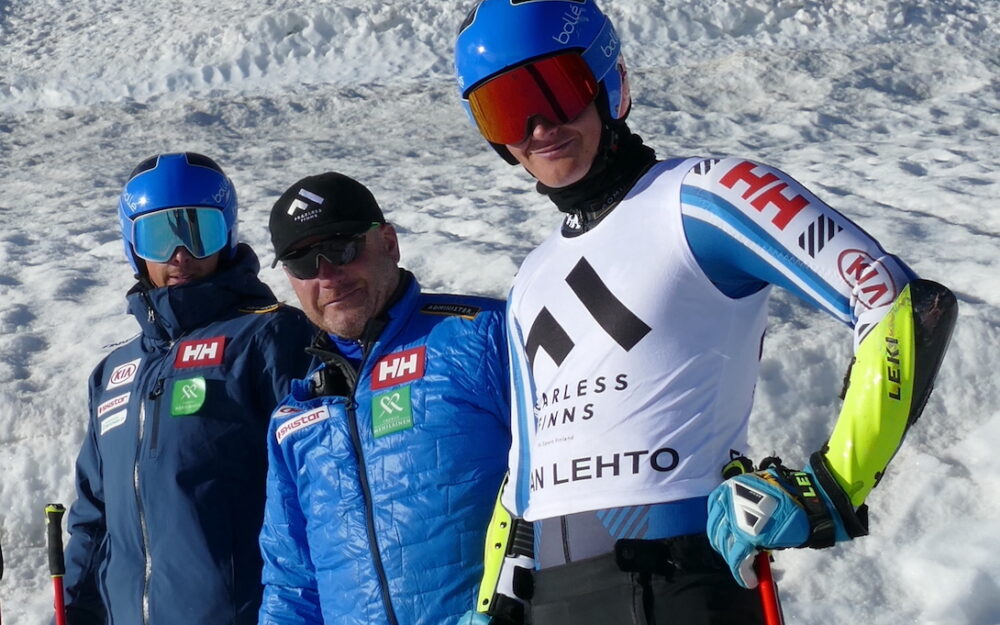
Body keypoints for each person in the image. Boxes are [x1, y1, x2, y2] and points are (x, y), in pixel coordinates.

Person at [452, 2, 958, 624]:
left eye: (555, 90)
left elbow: (902, 304)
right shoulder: (530, 275)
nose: (538, 126)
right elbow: (526, 469)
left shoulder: (706, 195)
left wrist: (832, 487)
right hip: (552, 603)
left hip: (680, 586)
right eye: (503, 109)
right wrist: (493, 600)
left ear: (607, 80)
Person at [60, 152, 316, 624]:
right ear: (133, 246)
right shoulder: (115, 371)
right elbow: (94, 516)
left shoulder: (269, 337)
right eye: (161, 236)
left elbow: (319, 490)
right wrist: (75, 609)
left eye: (200, 232)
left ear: (229, 233)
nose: (181, 255)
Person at [256, 172, 511, 625]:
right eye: (302, 263)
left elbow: (567, 493)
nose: (327, 276)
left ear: (389, 243)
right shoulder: (296, 417)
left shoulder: (483, 335)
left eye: (342, 247)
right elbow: (291, 583)